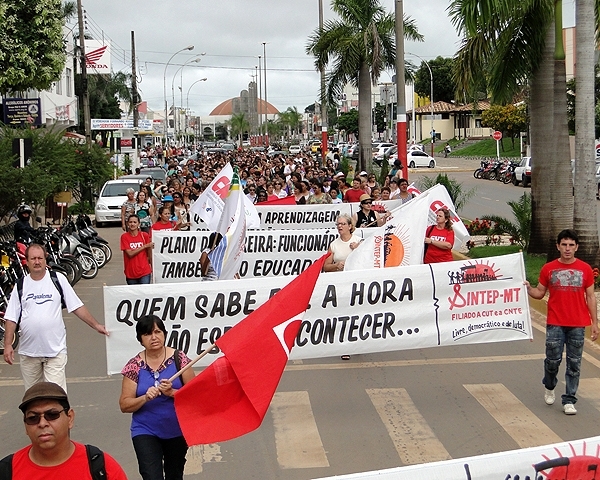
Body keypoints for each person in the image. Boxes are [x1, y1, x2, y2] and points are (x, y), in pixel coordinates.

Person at [2, 244, 109, 391]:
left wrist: (96, 325)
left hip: (55, 351)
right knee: (33, 396)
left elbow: (76, 306)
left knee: (55, 395)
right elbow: (11, 317)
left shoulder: (57, 279)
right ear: (27, 261)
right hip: (29, 352)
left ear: (45, 259)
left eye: (40, 258)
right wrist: (8, 344)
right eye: (33, 259)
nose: (37, 262)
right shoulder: (21, 285)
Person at [525, 229, 598, 415]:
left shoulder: (585, 269)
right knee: (552, 361)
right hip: (555, 323)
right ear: (558, 246)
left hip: (578, 324)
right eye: (564, 245)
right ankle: (549, 386)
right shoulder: (548, 269)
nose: (567, 248)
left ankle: (569, 399)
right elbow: (539, 292)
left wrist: (595, 323)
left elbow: (591, 297)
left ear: (576, 247)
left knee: (574, 364)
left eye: (571, 245)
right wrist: (528, 289)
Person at [119, 315, 194, 480]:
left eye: (158, 332)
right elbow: (124, 405)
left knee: (174, 474)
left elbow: (195, 396)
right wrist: (144, 398)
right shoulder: (133, 366)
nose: (154, 337)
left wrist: (172, 393)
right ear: (140, 339)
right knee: (151, 475)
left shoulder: (180, 359)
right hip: (145, 430)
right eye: (147, 334)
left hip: (177, 429)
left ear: (164, 334)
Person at [0, 382, 127, 478]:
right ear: (25, 425)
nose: (42, 423)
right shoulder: (6, 471)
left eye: (52, 415)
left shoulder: (101, 467)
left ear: (70, 418)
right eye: (33, 418)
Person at [323, 214, 362, 361]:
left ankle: (357, 342)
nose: (339, 226)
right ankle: (345, 346)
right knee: (344, 315)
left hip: (357, 284)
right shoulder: (334, 245)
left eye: (343, 224)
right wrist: (336, 266)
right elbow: (326, 267)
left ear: (350, 226)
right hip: (341, 285)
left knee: (356, 315)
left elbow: (370, 259)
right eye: (338, 224)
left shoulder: (359, 241)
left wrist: (358, 249)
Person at [121, 214, 153, 285]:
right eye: (130, 222)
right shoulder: (124, 237)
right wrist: (144, 246)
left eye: (135, 222)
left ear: (139, 224)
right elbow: (130, 254)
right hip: (131, 273)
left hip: (144, 271)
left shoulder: (144, 235)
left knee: (145, 291)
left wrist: (152, 267)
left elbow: (149, 253)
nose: (132, 224)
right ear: (127, 223)